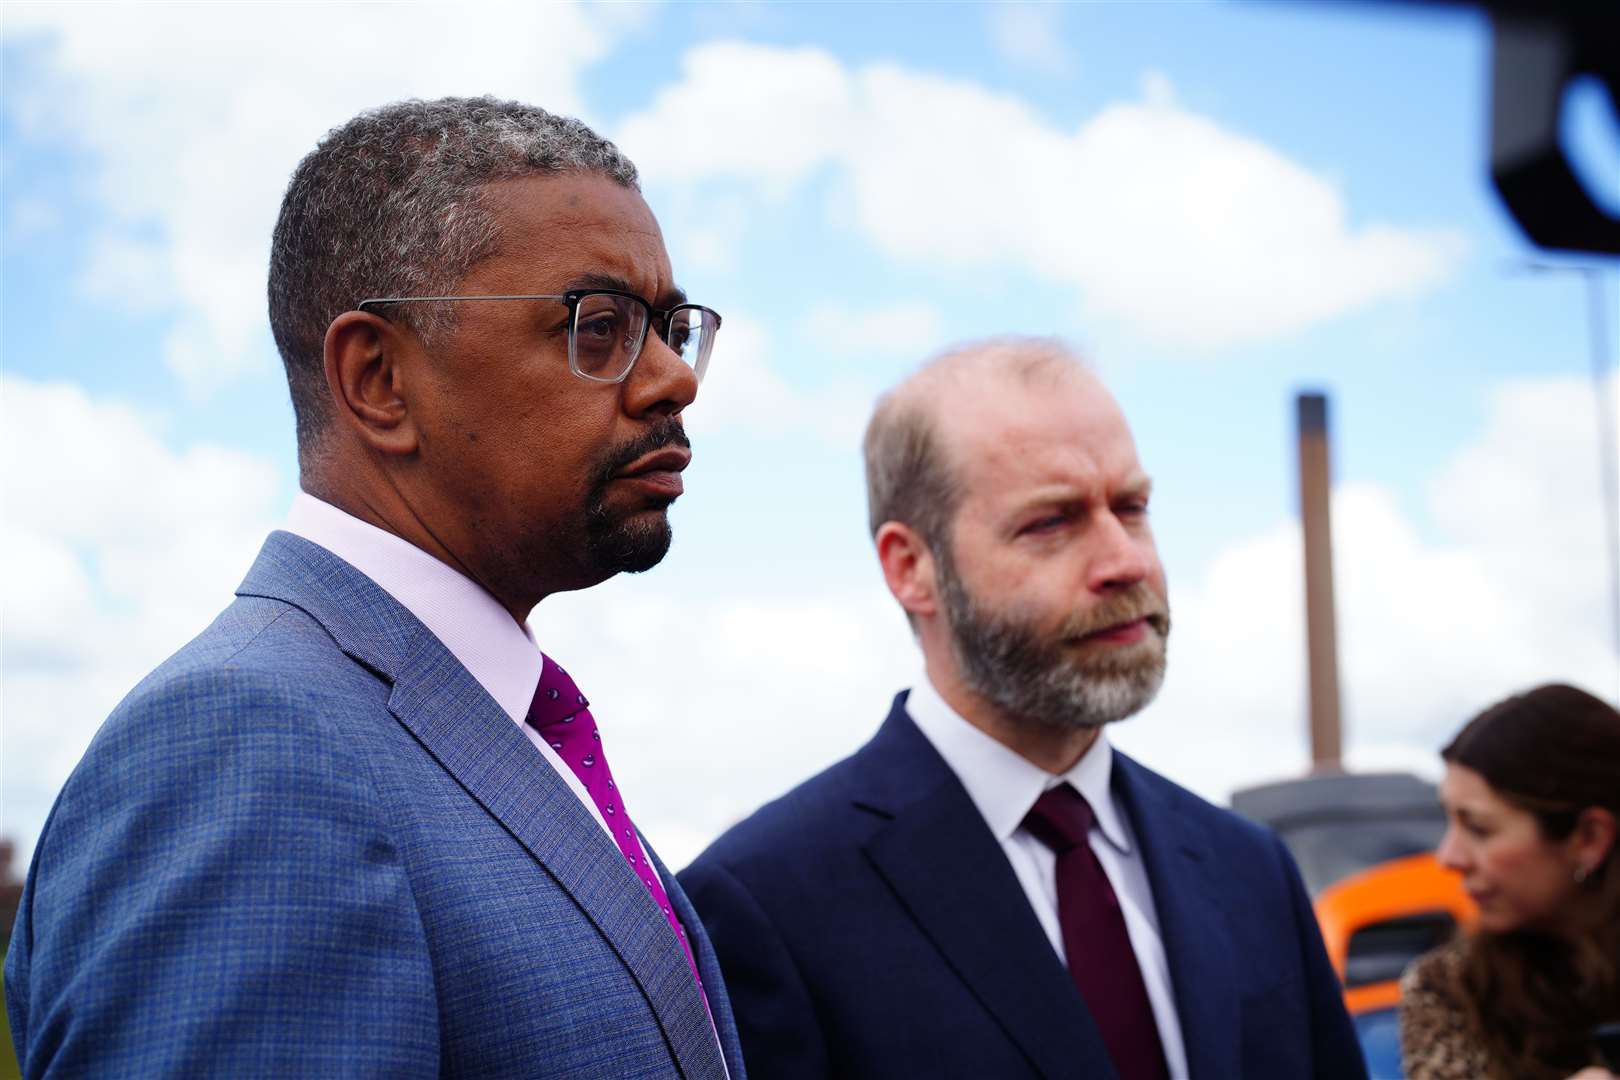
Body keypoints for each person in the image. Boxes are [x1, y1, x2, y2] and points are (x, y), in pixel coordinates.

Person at [4, 97, 742, 1079]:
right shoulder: (248, 743)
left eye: (669, 326)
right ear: (379, 378)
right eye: (599, 324)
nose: (671, 380)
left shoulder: (496, 727)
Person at [680, 338, 1366, 1080]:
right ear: (912, 568)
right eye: (1051, 523)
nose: (1126, 562)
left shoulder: (1250, 868)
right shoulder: (765, 903)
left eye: (1131, 508)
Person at [1400, 683, 1620, 1080]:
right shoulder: (1452, 990)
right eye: (1448, 820)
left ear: (1589, 838)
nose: (1449, 857)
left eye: (1479, 829)